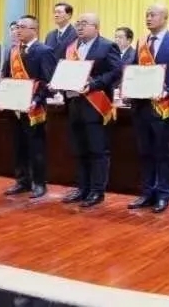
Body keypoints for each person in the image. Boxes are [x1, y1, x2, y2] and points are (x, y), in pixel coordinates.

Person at [126, 4, 169, 213]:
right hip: (141, 105)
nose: (148, 18)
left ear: (164, 18)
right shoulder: (142, 42)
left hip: (163, 105)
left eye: (153, 15)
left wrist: (168, 91)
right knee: (144, 151)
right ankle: (147, 193)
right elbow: (135, 69)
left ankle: (163, 194)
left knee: (162, 152)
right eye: (146, 15)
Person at [60, 13, 121, 208]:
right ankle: (82, 188)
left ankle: (97, 191)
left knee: (97, 150)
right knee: (80, 149)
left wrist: (94, 84)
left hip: (96, 105)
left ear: (96, 27)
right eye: (78, 23)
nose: (79, 26)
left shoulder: (107, 46)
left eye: (84, 23)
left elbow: (116, 71)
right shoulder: (71, 47)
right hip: (75, 105)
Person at [2, 15, 56, 199]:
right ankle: (22, 181)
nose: (18, 30)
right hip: (15, 107)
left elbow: (47, 81)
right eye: (17, 27)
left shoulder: (44, 51)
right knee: (18, 146)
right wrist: (3, 96)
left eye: (22, 27)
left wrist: (36, 100)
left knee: (36, 147)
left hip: (35, 107)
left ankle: (39, 183)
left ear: (34, 30)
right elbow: (7, 77)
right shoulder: (13, 51)